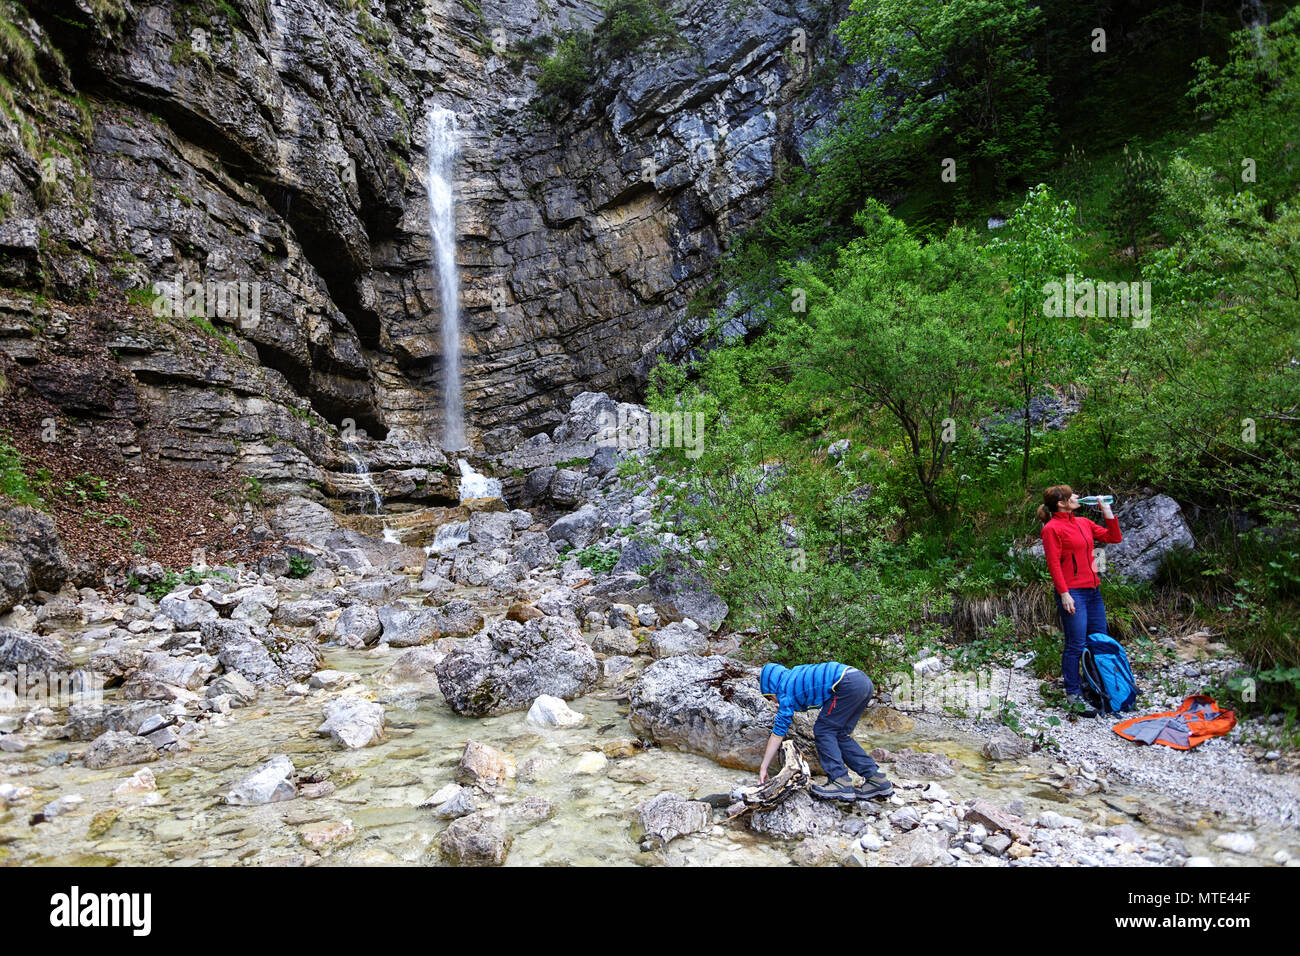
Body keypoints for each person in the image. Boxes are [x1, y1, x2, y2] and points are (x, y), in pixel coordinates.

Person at [1038, 485, 1122, 717]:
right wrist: (1064, 593)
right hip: (1073, 592)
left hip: (1093, 591)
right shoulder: (1052, 529)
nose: (1077, 496)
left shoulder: (1083, 522)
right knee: (1076, 644)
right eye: (1072, 495)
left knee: (1098, 640)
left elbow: (1114, 537)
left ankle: (1097, 686)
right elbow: (1054, 564)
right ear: (1061, 504)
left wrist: (1107, 511)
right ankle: (1073, 695)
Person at [758, 661, 893, 801]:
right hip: (862, 681)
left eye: (770, 697)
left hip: (847, 683)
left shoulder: (784, 690)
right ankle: (877, 780)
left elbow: (778, 734)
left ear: (771, 687)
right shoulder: (794, 676)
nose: (774, 702)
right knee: (840, 735)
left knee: (824, 730)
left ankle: (839, 781)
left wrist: (763, 767)